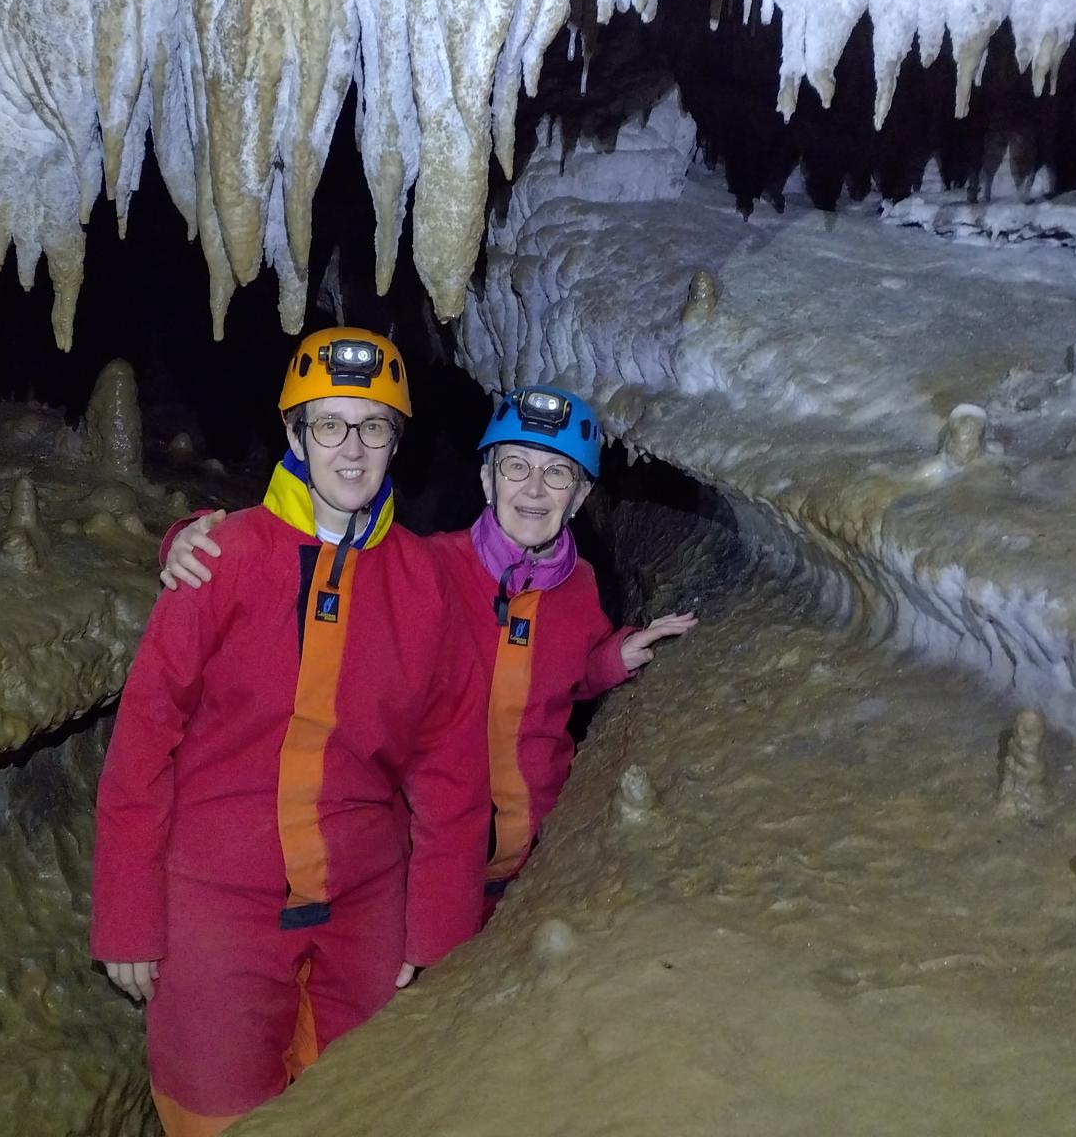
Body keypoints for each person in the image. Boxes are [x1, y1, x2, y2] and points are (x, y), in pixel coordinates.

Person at [91, 327, 490, 1137]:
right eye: (330, 425)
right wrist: (129, 915)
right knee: (215, 1112)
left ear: (396, 442)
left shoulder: (426, 585)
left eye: (373, 426)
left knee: (367, 1102)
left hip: (365, 896)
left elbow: (451, 771)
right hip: (217, 896)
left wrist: (439, 927)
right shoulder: (221, 561)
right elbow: (142, 746)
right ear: (295, 435)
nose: (352, 449)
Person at [160, 383, 697, 919]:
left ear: (579, 497)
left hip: (534, 859)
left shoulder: (579, 588)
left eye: (557, 473)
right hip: (428, 857)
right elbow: (323, 567)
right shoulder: (428, 567)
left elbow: (565, 680)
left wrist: (613, 659)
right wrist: (189, 537)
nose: (534, 489)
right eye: (515, 466)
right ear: (487, 479)